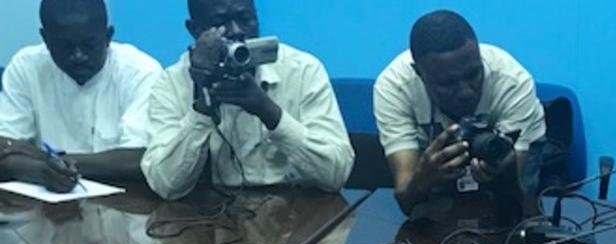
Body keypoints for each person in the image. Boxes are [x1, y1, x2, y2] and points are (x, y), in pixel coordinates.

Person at [140, 0, 353, 199]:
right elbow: (166, 185)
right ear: (194, 30)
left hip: (300, 208)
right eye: (220, 23)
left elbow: (337, 174)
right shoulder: (172, 83)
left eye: (245, 19)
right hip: (213, 212)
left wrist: (268, 111)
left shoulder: (303, 70)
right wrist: (202, 107)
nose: (236, 31)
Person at [374, 10, 546, 215]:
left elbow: (516, 194)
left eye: (474, 74)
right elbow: (406, 200)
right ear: (419, 73)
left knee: (512, 215)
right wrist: (421, 182)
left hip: (518, 151)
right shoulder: (394, 87)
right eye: (448, 83)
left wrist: (505, 173)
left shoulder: (513, 82)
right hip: (428, 150)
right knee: (429, 216)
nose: (465, 92)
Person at [0, 0, 161, 190]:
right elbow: (4, 150)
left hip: (124, 200)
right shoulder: (26, 67)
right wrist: (42, 171)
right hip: (46, 202)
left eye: (89, 45)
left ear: (108, 36)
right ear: (46, 39)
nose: (78, 56)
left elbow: (140, 160)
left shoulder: (141, 73)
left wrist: (49, 160)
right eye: (65, 46)